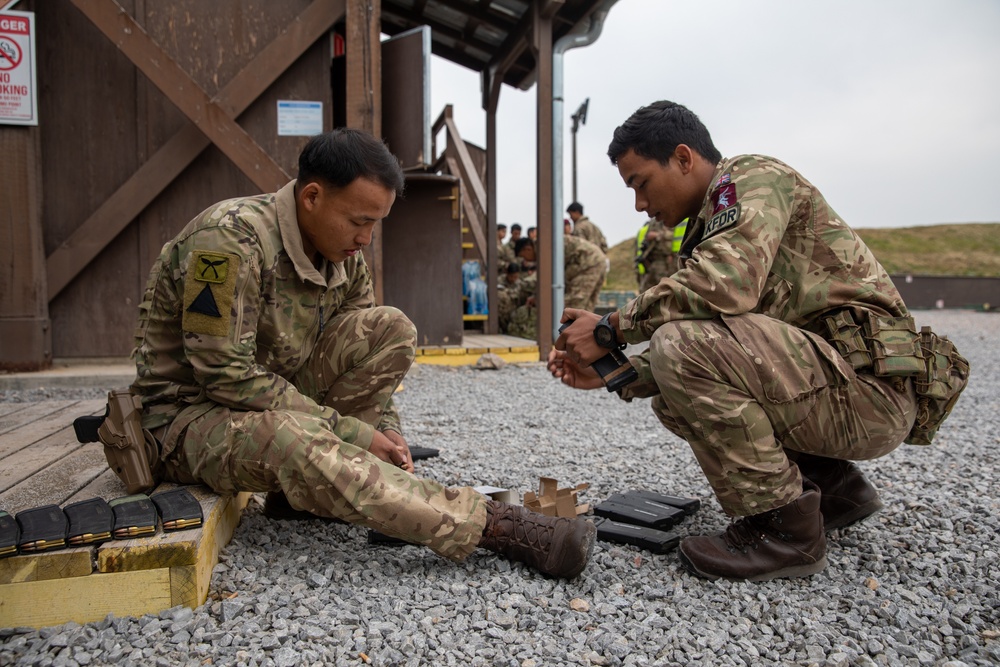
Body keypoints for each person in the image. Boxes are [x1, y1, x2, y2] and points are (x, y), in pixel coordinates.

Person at [130, 128, 595, 579]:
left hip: (276, 401)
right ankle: (495, 526)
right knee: (295, 439)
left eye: (376, 223)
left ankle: (302, 496)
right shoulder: (229, 240)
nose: (367, 239)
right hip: (186, 419)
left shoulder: (342, 257)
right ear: (311, 197)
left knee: (391, 329)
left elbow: (367, 360)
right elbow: (225, 376)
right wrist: (351, 433)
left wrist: (388, 434)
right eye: (359, 221)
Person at [547, 101, 967, 582]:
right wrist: (617, 371)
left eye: (640, 182)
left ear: (683, 158)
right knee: (672, 382)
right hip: (846, 386)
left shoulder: (749, 177)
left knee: (678, 346)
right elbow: (734, 349)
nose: (639, 204)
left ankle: (785, 531)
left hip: (871, 392)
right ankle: (834, 490)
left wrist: (610, 327)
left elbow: (724, 287)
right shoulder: (712, 223)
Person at [634, 216, 677, 292]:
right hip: (651, 262)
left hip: (663, 260)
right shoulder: (653, 222)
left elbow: (671, 236)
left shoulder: (670, 219)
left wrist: (657, 235)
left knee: (662, 288)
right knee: (645, 290)